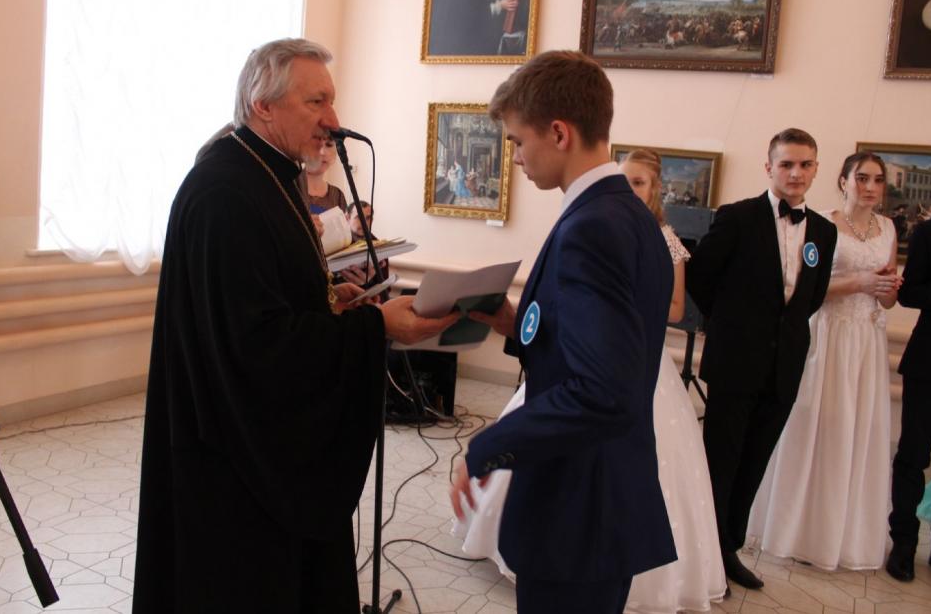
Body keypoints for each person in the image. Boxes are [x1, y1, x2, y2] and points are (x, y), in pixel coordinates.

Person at [132, 38, 457, 613]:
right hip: (233, 463)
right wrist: (375, 328)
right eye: (316, 102)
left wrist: (331, 301)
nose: (333, 120)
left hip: (255, 447)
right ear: (263, 105)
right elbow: (254, 346)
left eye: (332, 101)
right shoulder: (225, 193)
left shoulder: (268, 174)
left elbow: (267, 296)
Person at [449, 50, 677, 613]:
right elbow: (609, 347)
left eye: (517, 141)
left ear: (558, 133)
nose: (515, 158)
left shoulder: (591, 227)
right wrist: (516, 325)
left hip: (579, 504)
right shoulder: (628, 214)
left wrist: (486, 446)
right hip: (605, 492)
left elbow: (602, 392)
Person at [686, 128, 837, 590]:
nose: (796, 173)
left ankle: (729, 547)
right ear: (769, 167)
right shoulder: (737, 217)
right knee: (721, 461)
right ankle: (704, 554)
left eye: (805, 164)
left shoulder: (824, 232)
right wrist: (732, 325)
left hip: (785, 366)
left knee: (754, 462)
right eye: (786, 164)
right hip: (735, 361)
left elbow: (811, 297)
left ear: (816, 169)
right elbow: (700, 278)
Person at [748, 152, 900, 571]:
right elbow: (809, 287)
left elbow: (888, 297)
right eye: (862, 178)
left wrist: (888, 288)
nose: (870, 187)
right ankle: (795, 528)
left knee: (856, 430)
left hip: (867, 339)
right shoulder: (822, 223)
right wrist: (859, 281)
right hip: (827, 334)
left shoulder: (888, 228)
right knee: (813, 423)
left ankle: (841, 535)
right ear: (843, 180)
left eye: (878, 180)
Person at [620, 149, 727, 612]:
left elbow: (678, 309)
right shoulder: (605, 227)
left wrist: (627, 305)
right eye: (624, 181)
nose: (630, 190)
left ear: (655, 189)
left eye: (639, 183)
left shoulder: (667, 240)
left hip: (646, 356)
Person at [886, 216, 931, 581]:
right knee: (913, 457)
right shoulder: (927, 233)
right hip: (929, 362)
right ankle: (903, 541)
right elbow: (909, 292)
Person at [298, 140, 348, 215]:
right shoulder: (289, 187)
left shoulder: (338, 196)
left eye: (329, 145)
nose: (323, 152)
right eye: (315, 144)